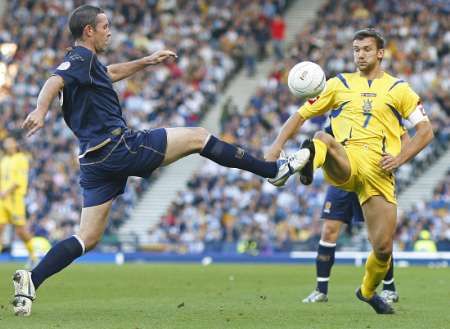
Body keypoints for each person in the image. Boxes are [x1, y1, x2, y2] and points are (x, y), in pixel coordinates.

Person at [12, 5, 310, 316]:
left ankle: (32, 279)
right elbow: (53, 81)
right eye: (104, 26)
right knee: (198, 137)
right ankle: (271, 170)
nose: (109, 31)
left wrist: (146, 61)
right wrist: (40, 110)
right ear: (89, 31)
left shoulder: (88, 66)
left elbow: (109, 73)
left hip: (93, 161)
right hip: (117, 147)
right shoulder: (78, 58)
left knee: (87, 237)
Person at [265, 28, 434, 314]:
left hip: (379, 173)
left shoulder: (399, 90)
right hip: (346, 159)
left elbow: (426, 132)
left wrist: (400, 159)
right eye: (356, 49)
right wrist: (276, 146)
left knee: (382, 248)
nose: (360, 54)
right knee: (322, 138)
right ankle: (303, 163)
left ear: (380, 53)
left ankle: (368, 292)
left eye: (366, 49)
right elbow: (300, 115)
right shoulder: (337, 84)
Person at [302, 128, 410, 305]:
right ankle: (320, 290)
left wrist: (396, 158)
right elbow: (326, 138)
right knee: (329, 231)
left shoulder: (380, 108)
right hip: (342, 178)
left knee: (377, 239)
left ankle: (389, 288)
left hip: (370, 174)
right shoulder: (340, 107)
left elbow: (402, 137)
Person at [0, 137, 36, 267]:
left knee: (21, 231)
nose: (7, 144)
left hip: (15, 198)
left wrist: (6, 192)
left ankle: (33, 256)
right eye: (5, 142)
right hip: (3, 199)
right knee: (0, 227)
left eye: (9, 142)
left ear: (15, 144)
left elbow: (19, 180)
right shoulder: (4, 160)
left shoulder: (21, 158)